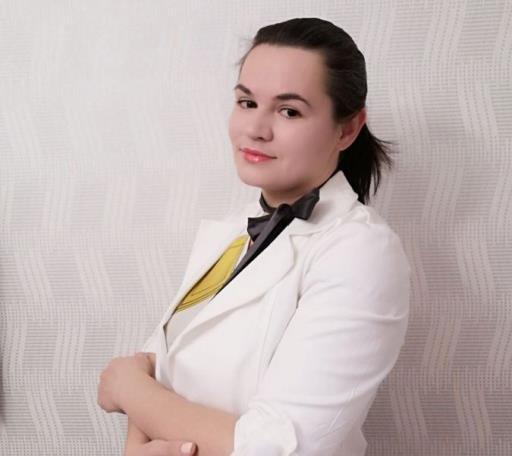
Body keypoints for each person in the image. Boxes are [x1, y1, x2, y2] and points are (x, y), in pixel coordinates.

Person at [97, 17, 411, 456]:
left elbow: (282, 446)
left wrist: (129, 391)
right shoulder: (234, 231)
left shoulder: (362, 251)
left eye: (289, 111)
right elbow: (158, 365)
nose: (256, 129)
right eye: (247, 102)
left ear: (348, 129)